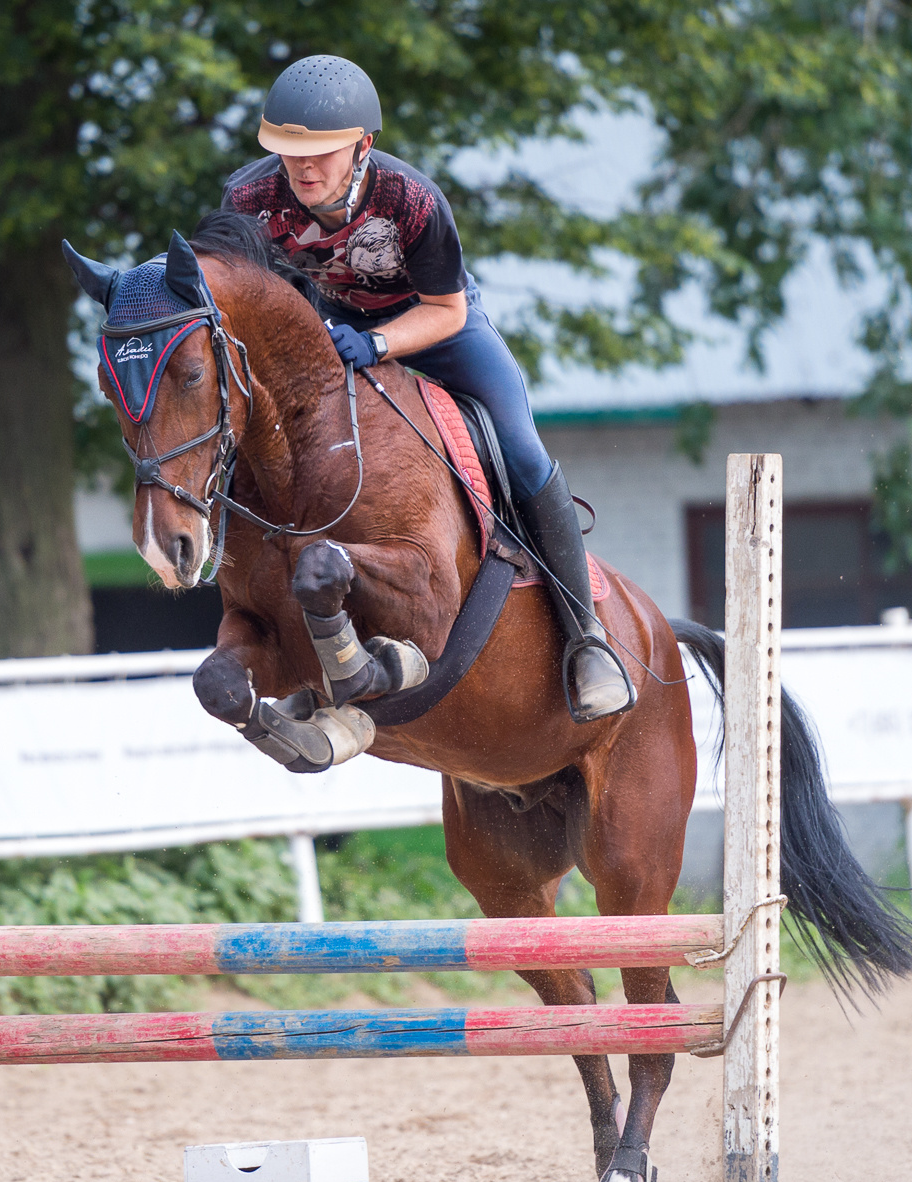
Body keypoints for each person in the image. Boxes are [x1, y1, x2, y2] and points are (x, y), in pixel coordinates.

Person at [222, 55, 635, 723]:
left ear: (363, 146)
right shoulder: (248, 199)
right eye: (289, 152)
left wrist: (379, 343)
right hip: (327, 327)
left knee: (520, 447)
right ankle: (300, 645)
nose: (302, 169)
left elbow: (447, 310)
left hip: (436, 323)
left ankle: (586, 638)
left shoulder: (411, 200)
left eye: (321, 153)